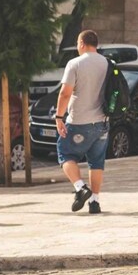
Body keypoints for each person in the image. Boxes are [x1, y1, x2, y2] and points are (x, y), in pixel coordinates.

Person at [55, 30, 109, 214]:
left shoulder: (75, 63)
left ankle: (80, 187)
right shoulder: (107, 63)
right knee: (96, 162)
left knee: (65, 153)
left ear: (82, 44)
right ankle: (95, 202)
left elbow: (65, 93)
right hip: (102, 121)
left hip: (78, 121)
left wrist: (59, 117)